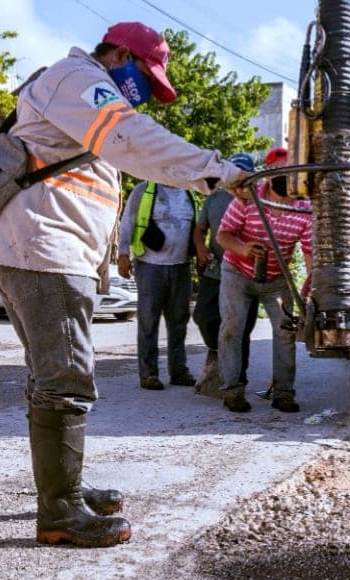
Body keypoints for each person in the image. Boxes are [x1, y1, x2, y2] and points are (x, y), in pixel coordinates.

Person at [0, 22, 251, 547]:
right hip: (43, 247)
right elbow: (132, 139)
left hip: (39, 246)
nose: (144, 95)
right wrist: (214, 170)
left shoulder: (77, 92)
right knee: (65, 376)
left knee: (51, 373)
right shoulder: (80, 79)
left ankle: (64, 488)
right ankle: (59, 511)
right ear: (120, 54)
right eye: (146, 79)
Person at [217, 147, 312, 413]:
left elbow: (309, 253)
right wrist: (244, 248)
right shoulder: (248, 199)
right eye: (278, 172)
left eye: (289, 172)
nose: (284, 177)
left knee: (285, 332)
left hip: (276, 278)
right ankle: (232, 391)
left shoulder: (304, 209)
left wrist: (310, 289)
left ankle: (283, 393)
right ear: (268, 175)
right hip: (237, 272)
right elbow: (223, 235)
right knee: (232, 328)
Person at [117, 181, 198, 390]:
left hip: (181, 265)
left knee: (179, 321)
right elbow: (128, 221)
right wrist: (123, 253)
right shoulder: (144, 190)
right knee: (148, 321)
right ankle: (149, 374)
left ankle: (179, 371)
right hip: (150, 265)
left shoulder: (188, 192)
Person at [191, 153, 258, 398]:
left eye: (243, 173)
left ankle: (237, 379)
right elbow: (200, 229)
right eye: (235, 172)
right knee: (203, 316)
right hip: (216, 268)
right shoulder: (215, 198)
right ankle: (217, 352)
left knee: (241, 327)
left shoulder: (257, 200)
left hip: (246, 271)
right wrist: (201, 248)